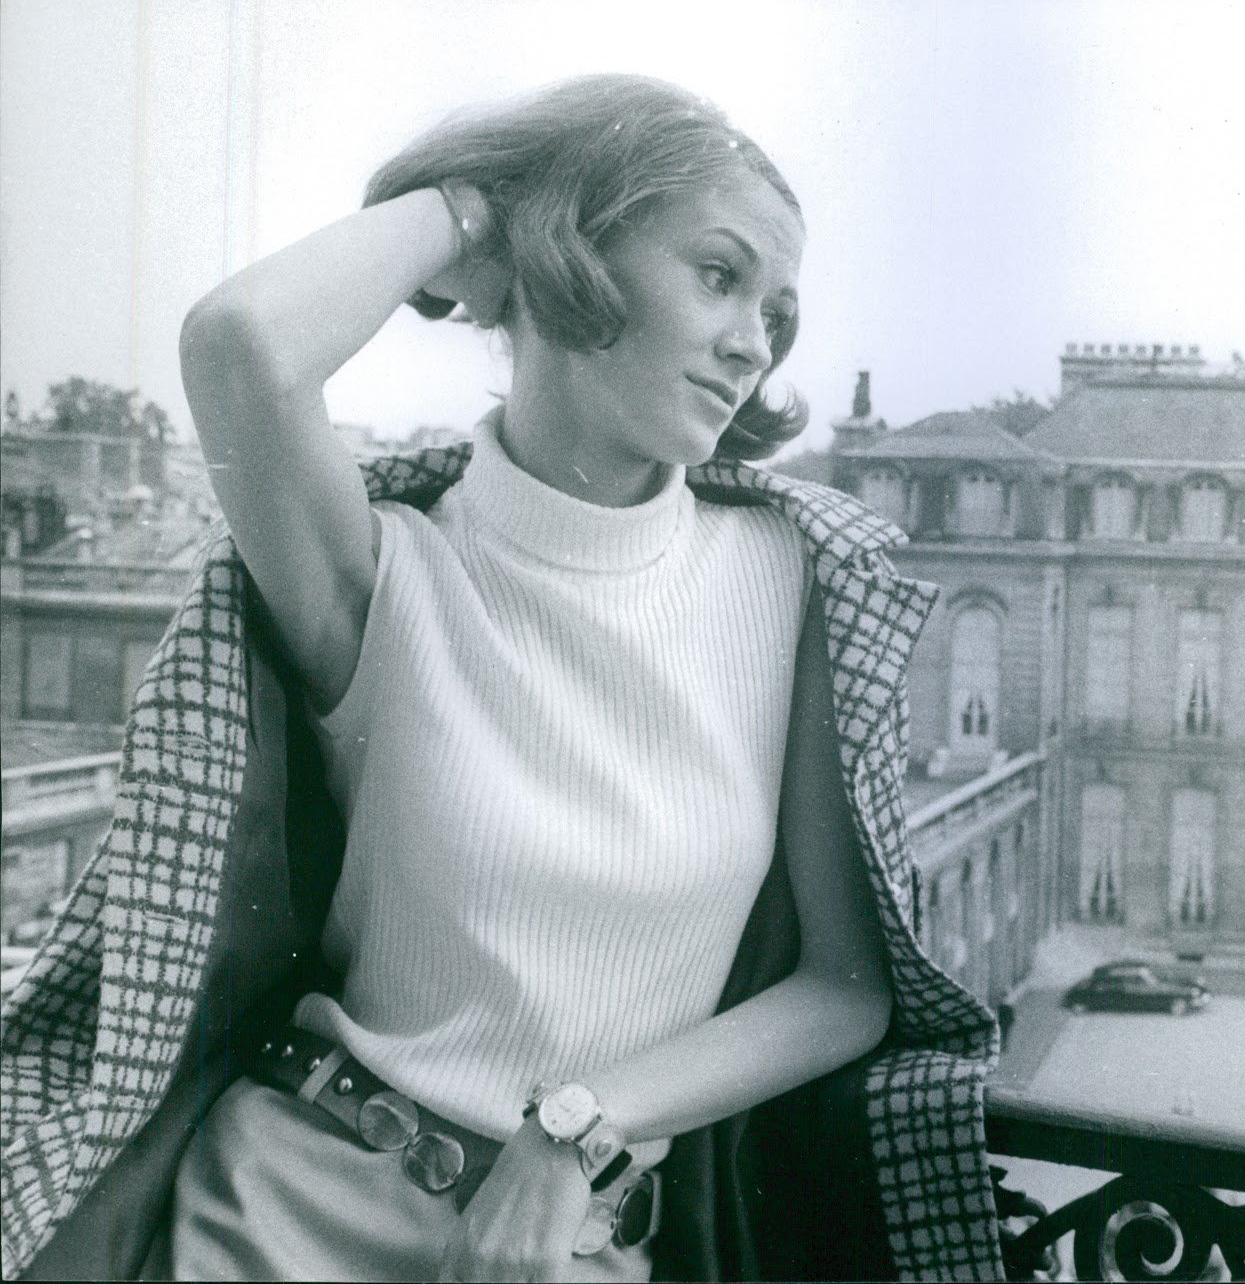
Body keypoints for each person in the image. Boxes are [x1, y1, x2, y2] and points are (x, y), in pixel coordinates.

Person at [0, 76, 1005, 1282]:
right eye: (719, 275)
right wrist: (492, 207)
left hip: (563, 1246)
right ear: (573, 254)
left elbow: (843, 991)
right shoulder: (386, 575)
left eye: (777, 312)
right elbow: (242, 344)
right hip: (276, 1220)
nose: (754, 341)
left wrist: (583, 1126)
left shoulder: (796, 579)